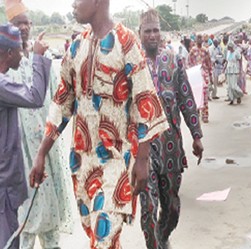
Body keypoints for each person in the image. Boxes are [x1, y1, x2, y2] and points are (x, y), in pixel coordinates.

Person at [28, 0, 169, 248]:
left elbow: (145, 100)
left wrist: (143, 159)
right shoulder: (76, 47)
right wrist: (41, 153)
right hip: (82, 162)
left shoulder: (126, 42)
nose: (72, 4)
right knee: (101, 238)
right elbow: (62, 102)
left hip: (116, 160)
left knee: (102, 239)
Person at [6, 2, 73, 248]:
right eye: (17, 24)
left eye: (27, 23)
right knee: (24, 221)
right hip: (19, 155)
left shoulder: (42, 61)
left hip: (46, 151)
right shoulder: (6, 66)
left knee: (50, 218)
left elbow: (59, 103)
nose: (23, 28)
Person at [138, 9, 204, 249]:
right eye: (148, 31)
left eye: (156, 30)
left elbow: (186, 99)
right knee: (148, 208)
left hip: (171, 146)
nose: (153, 35)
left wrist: (196, 136)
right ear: (140, 34)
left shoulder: (173, 60)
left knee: (172, 207)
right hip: (143, 149)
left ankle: (163, 236)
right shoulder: (132, 64)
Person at [0, 23, 51, 249]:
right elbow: (35, 97)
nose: (23, 55)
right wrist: (38, 57)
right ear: (9, 53)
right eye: (20, 50)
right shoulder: (1, 85)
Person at [188, 34, 213, 123]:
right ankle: (197, 113)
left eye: (200, 38)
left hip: (204, 76)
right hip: (195, 76)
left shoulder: (205, 50)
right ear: (195, 40)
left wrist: (210, 76)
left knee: (205, 96)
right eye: (197, 38)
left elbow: (209, 63)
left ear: (202, 40)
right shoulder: (192, 51)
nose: (199, 40)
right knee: (196, 96)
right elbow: (189, 64)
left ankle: (205, 115)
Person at [223, 41, 244, 105]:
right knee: (229, 86)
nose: (228, 48)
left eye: (229, 47)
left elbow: (240, 59)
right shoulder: (228, 53)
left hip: (234, 69)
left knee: (233, 85)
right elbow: (227, 61)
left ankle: (239, 95)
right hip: (228, 69)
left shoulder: (236, 52)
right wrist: (224, 68)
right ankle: (231, 99)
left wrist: (240, 69)